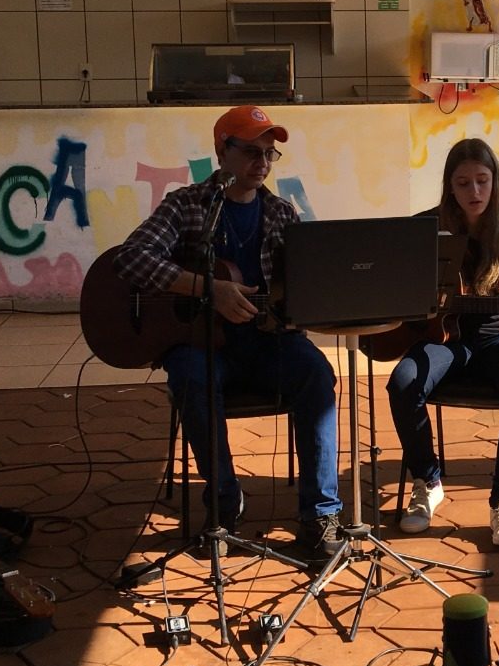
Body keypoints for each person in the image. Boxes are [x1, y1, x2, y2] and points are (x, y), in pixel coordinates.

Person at [113, 105, 343, 557]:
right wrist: (207, 289)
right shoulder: (186, 205)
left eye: (270, 154)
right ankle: (223, 501)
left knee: (316, 374)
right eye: (252, 152)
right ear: (222, 151)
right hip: (201, 345)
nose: (263, 162)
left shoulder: (280, 213)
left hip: (267, 341)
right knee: (189, 377)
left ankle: (320, 513)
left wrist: (306, 305)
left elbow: (302, 289)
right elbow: (130, 258)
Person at [387, 138, 499, 548]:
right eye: (463, 183)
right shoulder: (426, 228)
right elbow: (396, 282)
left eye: (482, 180)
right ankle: (428, 481)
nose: (474, 191)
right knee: (403, 383)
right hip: (443, 337)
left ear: (495, 181)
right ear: (449, 187)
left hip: (497, 338)